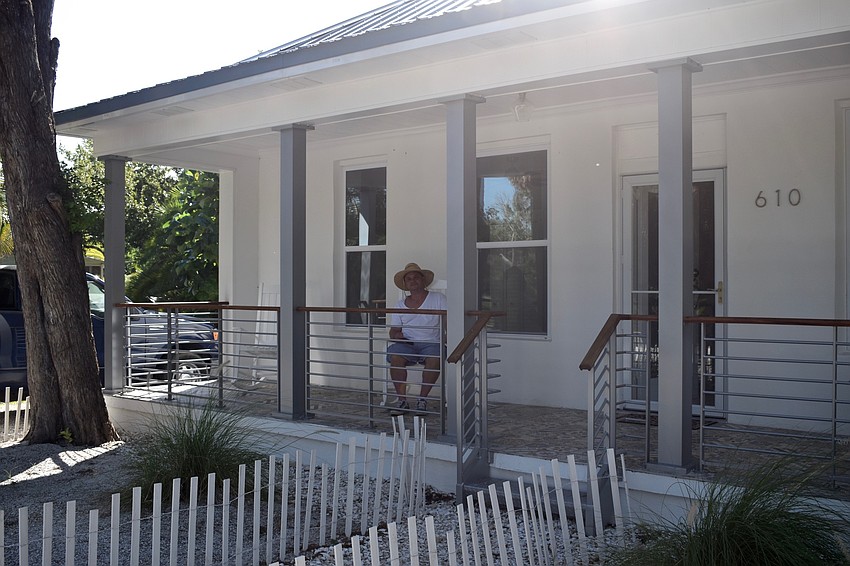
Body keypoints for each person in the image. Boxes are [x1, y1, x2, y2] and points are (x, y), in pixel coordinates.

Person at [387, 262, 447, 415]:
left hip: (432, 342)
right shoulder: (399, 305)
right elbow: (393, 331)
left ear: (423, 280)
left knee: (435, 357)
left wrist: (448, 339)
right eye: (409, 279)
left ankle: (422, 400)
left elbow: (448, 323)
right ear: (405, 284)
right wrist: (397, 335)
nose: (413, 281)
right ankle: (402, 401)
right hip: (408, 344)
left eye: (416, 277)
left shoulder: (438, 298)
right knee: (396, 357)